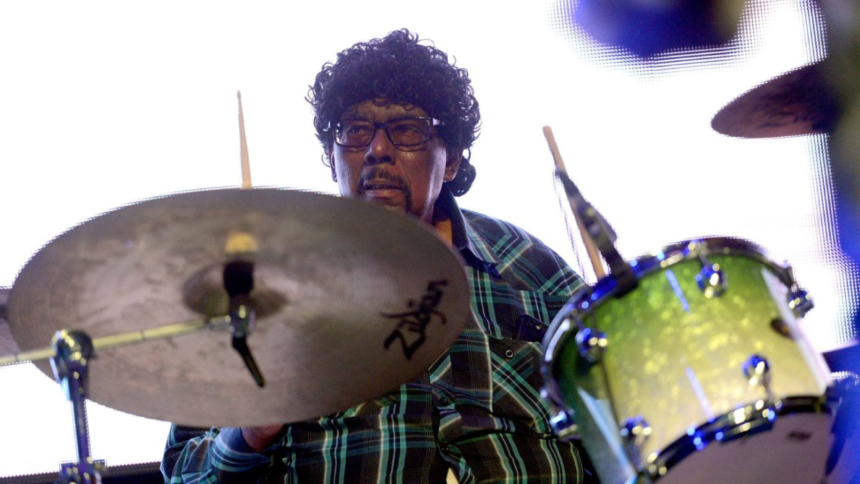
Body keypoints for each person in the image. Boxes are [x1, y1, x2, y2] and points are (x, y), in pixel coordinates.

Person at [162, 29, 587, 483]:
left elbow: (625, 420)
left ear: (453, 160)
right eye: (356, 131)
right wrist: (248, 433)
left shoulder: (529, 267)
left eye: (406, 131)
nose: (376, 151)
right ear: (332, 155)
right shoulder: (264, 288)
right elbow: (185, 471)